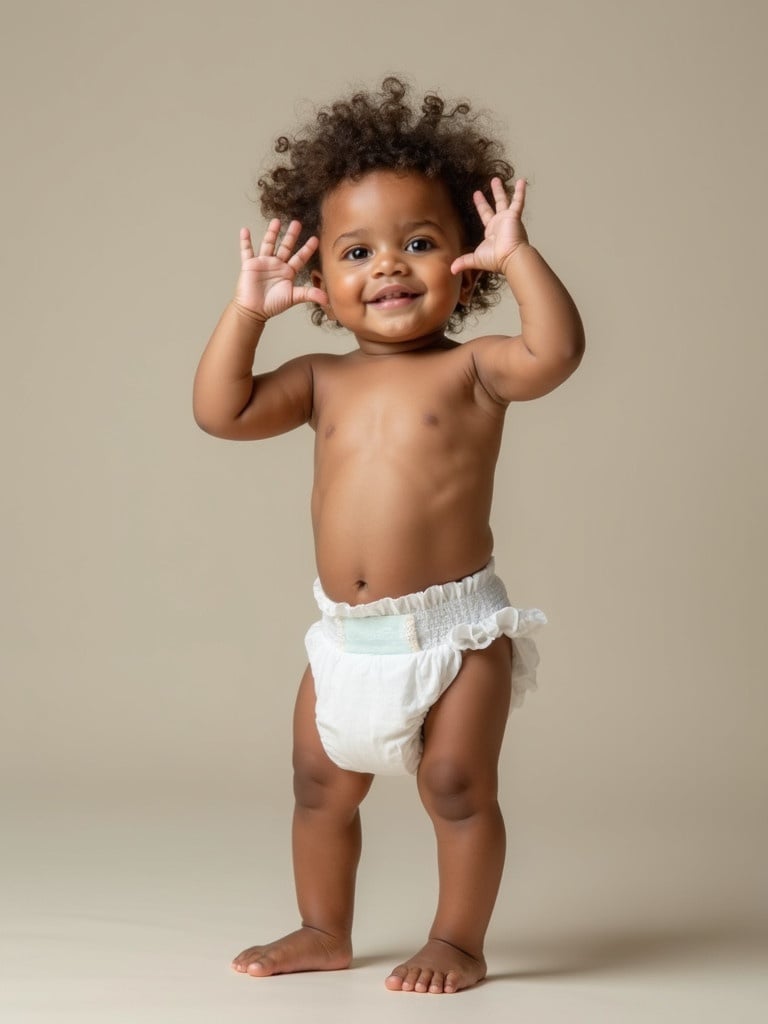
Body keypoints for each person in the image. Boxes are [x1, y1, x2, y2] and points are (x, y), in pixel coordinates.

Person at [193, 76, 584, 994]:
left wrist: (520, 257)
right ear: (320, 280)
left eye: (420, 243)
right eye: (357, 251)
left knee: (455, 785)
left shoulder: (477, 371)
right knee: (317, 785)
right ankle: (324, 927)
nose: (389, 268)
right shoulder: (321, 379)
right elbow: (221, 411)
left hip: (454, 633)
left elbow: (557, 352)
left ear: (464, 261)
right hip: (344, 636)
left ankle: (458, 940)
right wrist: (248, 309)